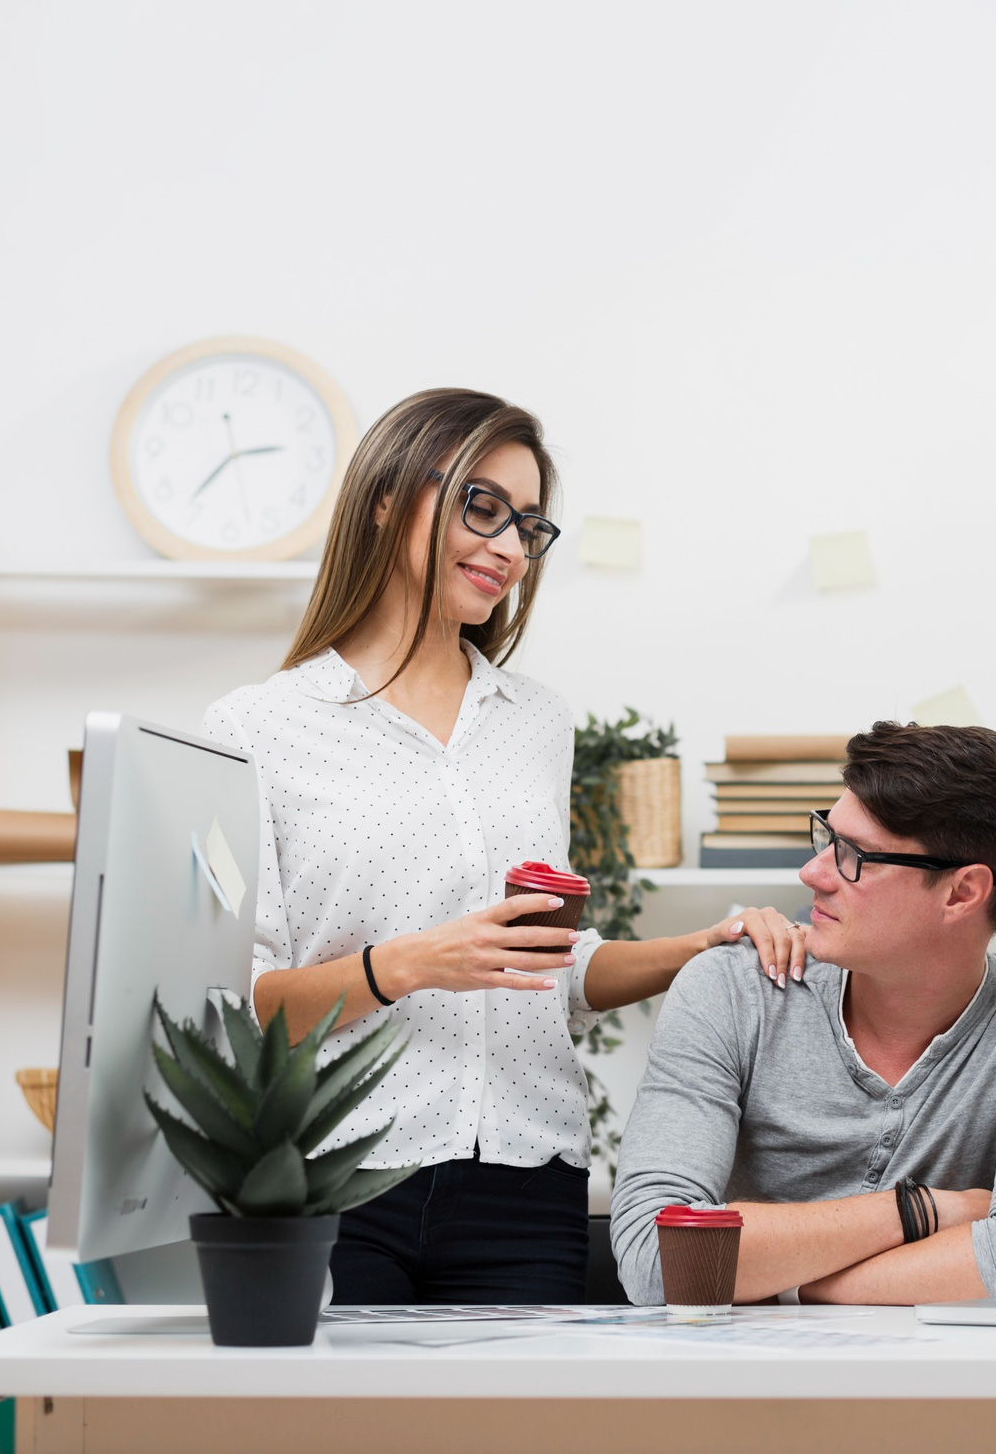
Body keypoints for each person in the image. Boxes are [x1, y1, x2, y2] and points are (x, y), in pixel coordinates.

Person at [202, 386, 806, 1305]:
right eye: (483, 508)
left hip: (528, 1181)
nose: (510, 548)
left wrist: (695, 951)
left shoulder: (537, 723)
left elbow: (546, 969)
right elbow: (243, 1011)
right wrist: (406, 963)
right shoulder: (258, 726)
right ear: (385, 496)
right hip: (335, 1179)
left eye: (528, 526)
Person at [609, 721, 996, 1306]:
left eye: (855, 857)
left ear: (962, 893)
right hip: (747, 1387)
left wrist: (784, 1284)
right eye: (826, 838)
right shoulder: (731, 988)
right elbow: (658, 1260)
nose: (813, 873)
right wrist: (923, 1211)